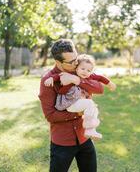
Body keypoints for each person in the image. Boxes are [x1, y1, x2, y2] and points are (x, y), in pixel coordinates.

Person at [38, 39, 103, 172]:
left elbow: (99, 88)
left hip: (84, 137)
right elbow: (50, 116)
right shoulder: (47, 81)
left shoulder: (80, 71)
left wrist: (77, 80)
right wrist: (78, 113)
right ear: (58, 62)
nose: (76, 63)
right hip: (62, 142)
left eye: (76, 59)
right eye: (71, 62)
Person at [44, 54, 116, 140]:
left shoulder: (89, 76)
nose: (85, 72)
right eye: (83, 69)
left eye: (89, 70)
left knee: (94, 109)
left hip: (79, 103)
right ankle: (89, 129)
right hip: (70, 103)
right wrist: (51, 79)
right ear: (76, 68)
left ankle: (91, 130)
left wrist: (109, 83)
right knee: (90, 103)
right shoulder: (71, 74)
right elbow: (59, 76)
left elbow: (100, 78)